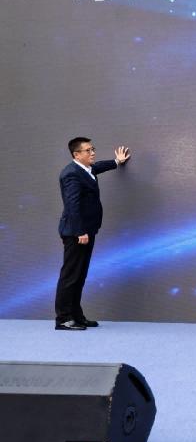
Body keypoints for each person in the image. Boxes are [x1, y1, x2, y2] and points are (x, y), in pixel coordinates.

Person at [54, 137, 131, 330]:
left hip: (87, 231)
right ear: (76, 154)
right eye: (88, 150)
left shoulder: (86, 169)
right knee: (71, 276)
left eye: (92, 149)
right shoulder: (71, 174)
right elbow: (72, 205)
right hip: (76, 233)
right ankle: (63, 319)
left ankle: (76, 316)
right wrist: (80, 231)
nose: (93, 153)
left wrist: (117, 162)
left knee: (80, 275)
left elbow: (97, 167)